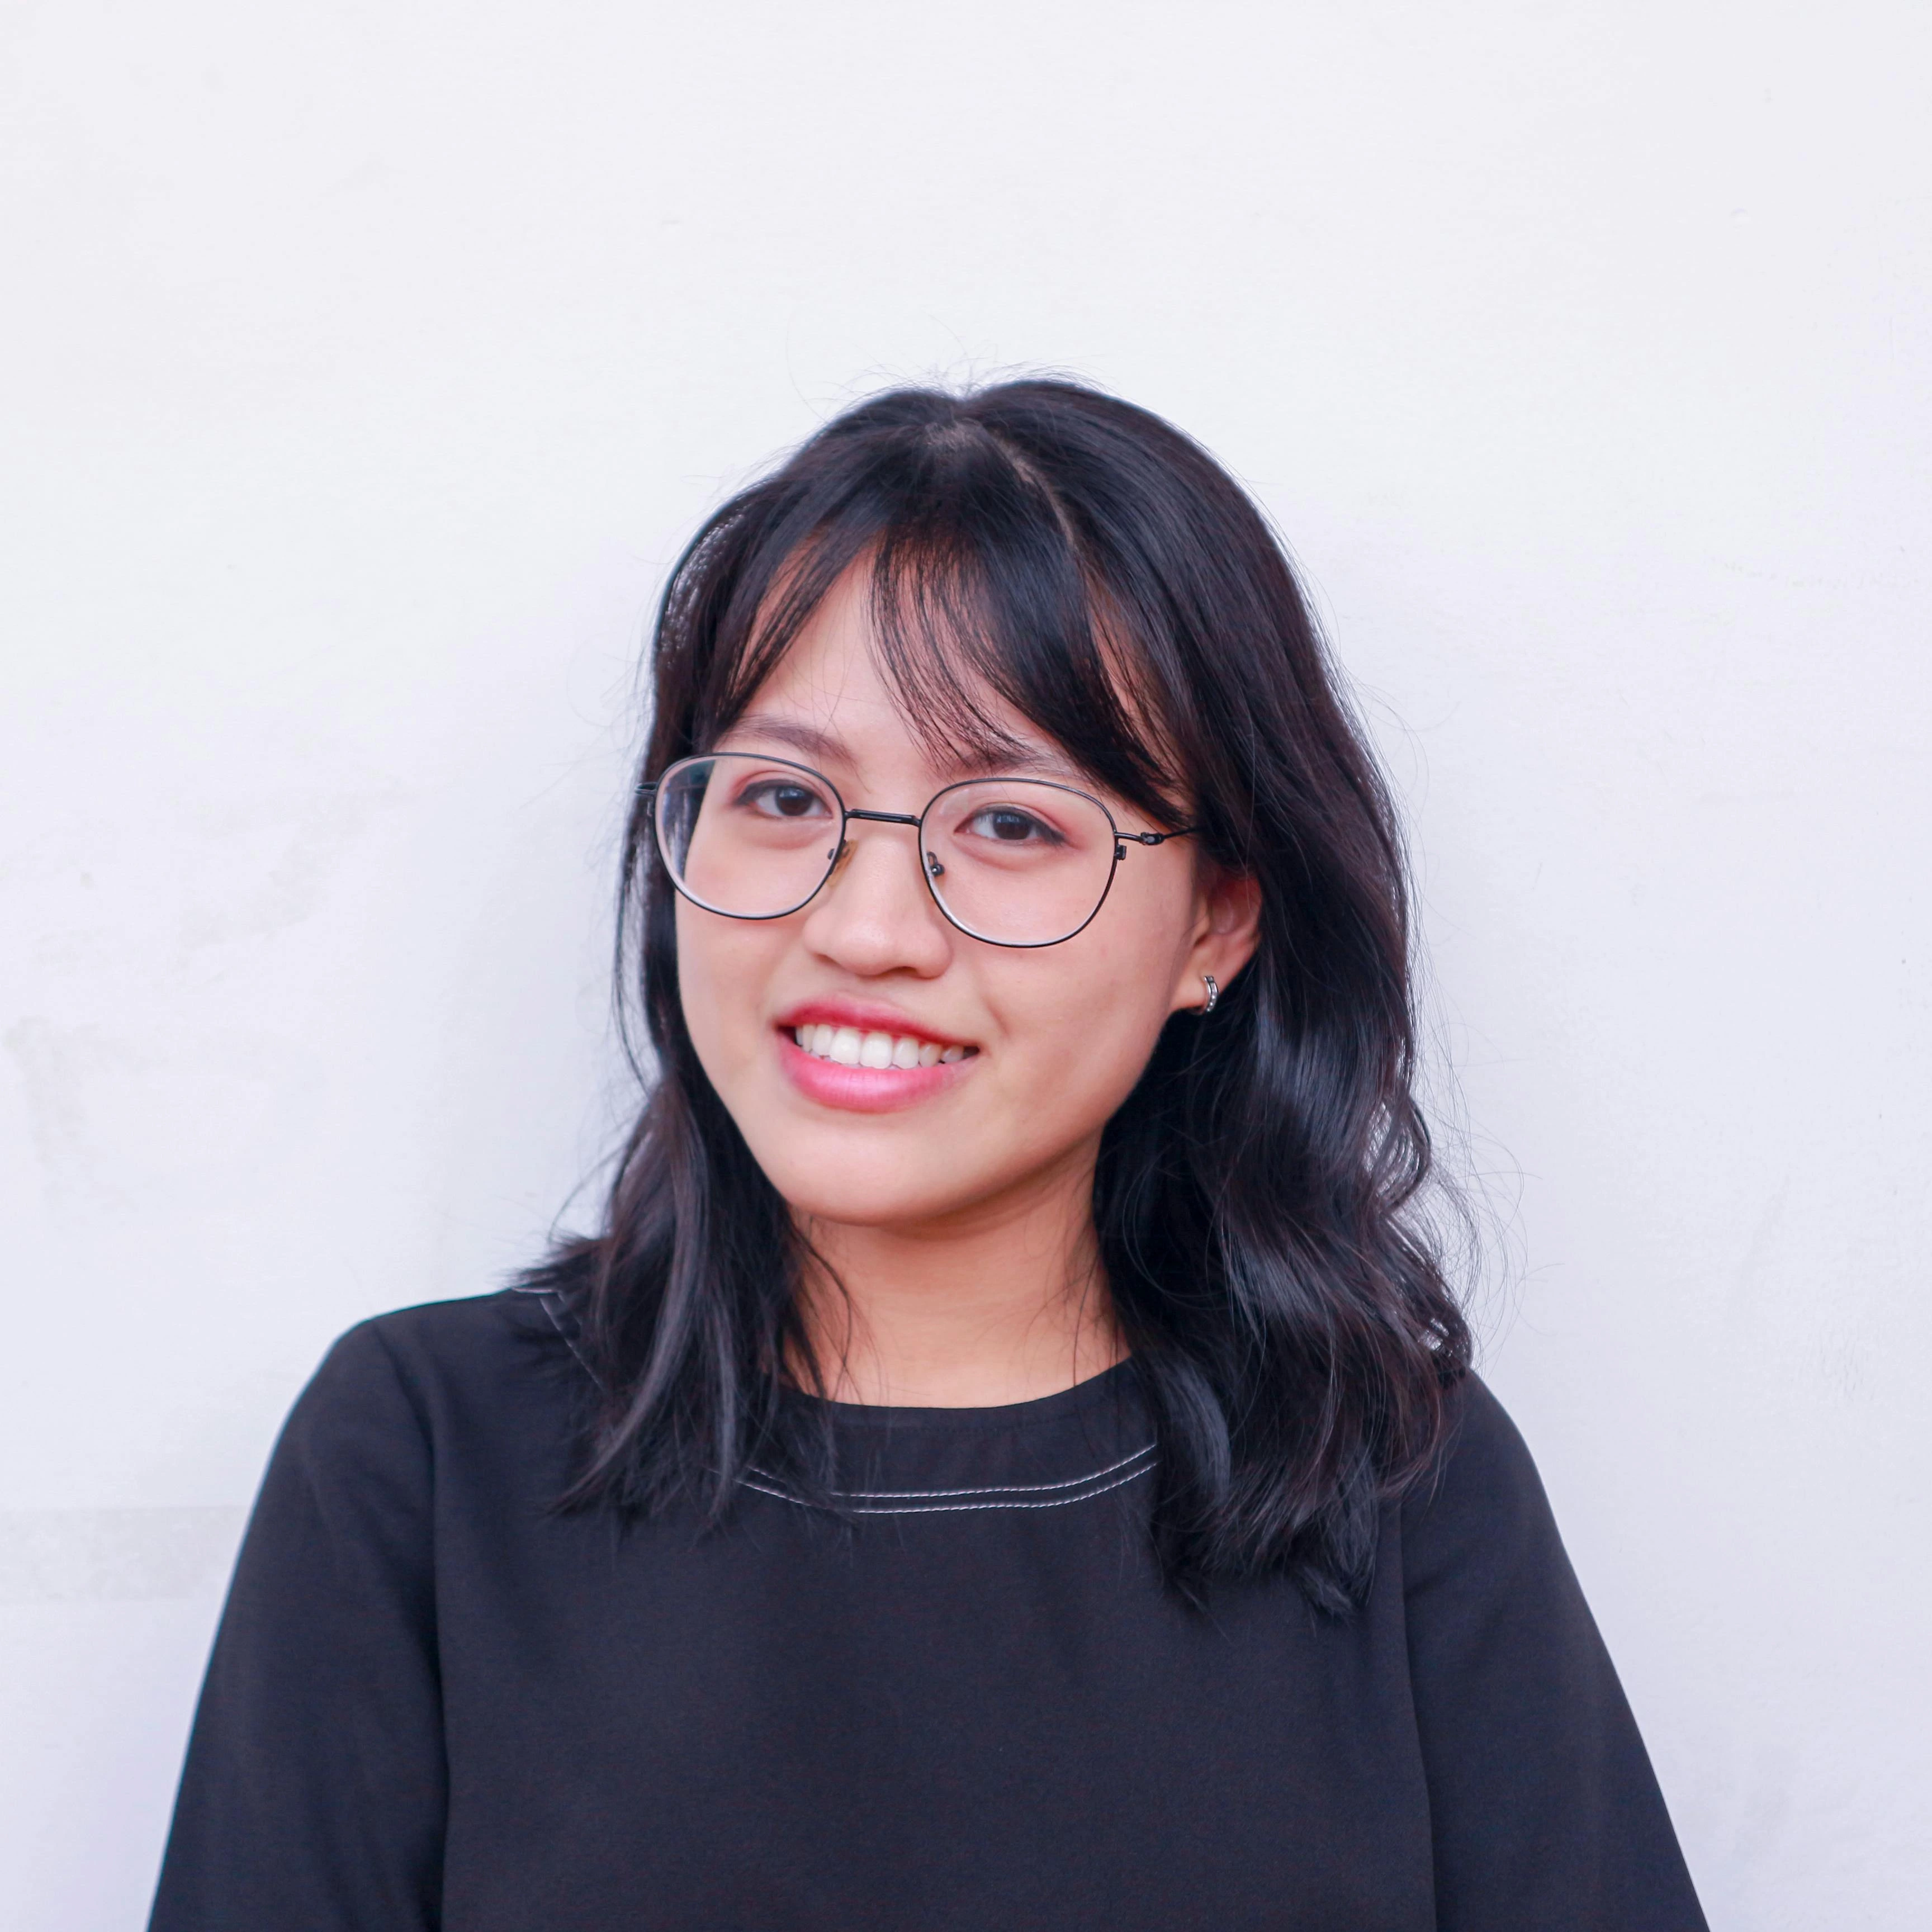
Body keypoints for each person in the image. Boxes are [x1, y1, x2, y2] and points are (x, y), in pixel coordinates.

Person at [148, 380, 1708, 1930]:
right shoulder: (423, 1464)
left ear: (1218, 924)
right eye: (781, 796)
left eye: (1013, 824)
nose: (865, 927)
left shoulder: (1392, 1484)